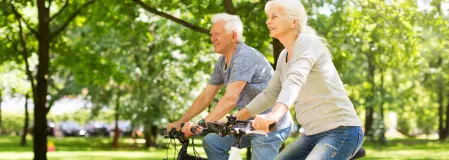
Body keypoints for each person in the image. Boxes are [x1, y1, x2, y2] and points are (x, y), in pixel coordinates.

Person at [236, 0, 364, 159]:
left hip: (341, 131)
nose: (268, 21)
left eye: (274, 16)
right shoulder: (284, 56)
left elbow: (294, 81)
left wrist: (273, 116)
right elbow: (270, 94)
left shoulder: (307, 43)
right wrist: (235, 119)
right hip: (310, 135)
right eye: (268, 17)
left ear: (293, 21)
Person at [166, 13, 293, 160]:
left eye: (217, 34)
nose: (212, 38)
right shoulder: (222, 61)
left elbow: (230, 99)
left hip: (269, 125)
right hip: (246, 123)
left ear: (234, 36)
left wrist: (200, 125)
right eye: (211, 34)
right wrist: (180, 122)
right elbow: (206, 96)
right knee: (212, 142)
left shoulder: (244, 56)